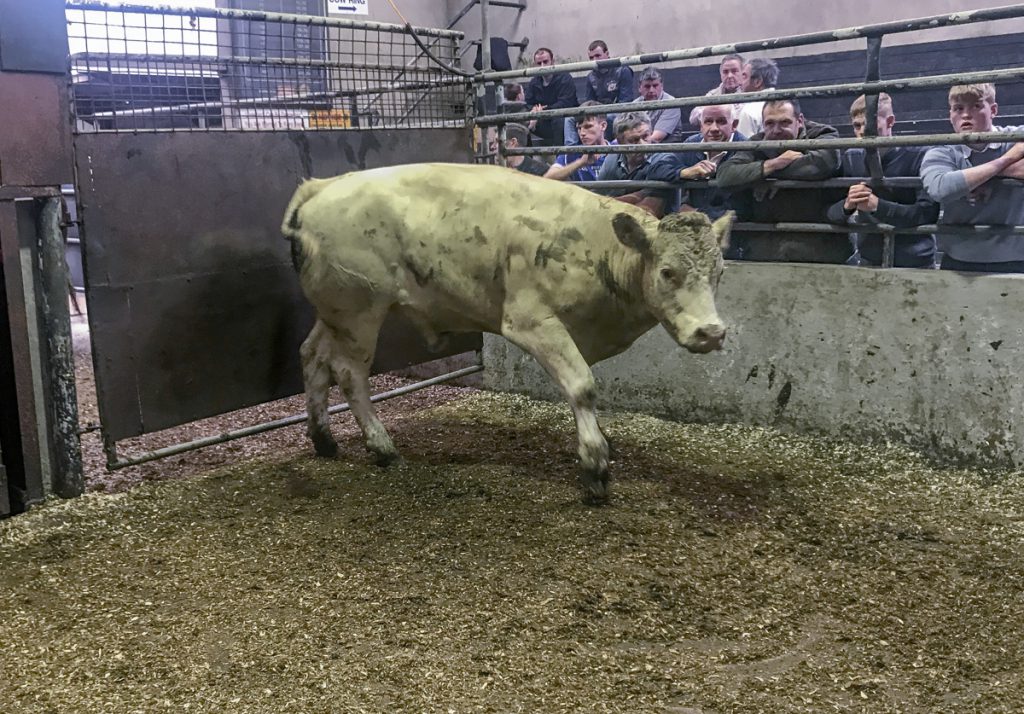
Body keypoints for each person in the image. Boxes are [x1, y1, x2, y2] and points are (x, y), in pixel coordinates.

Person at [717, 98, 845, 262]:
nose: (776, 130)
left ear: (799, 121)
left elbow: (822, 164)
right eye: (769, 123)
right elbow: (725, 175)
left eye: (784, 122)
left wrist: (763, 175)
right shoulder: (757, 142)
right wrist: (773, 164)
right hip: (766, 246)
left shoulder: (824, 134)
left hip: (819, 244)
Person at [920, 83, 1024, 272]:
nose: (966, 115)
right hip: (961, 259)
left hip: (1016, 258)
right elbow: (940, 188)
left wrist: (972, 178)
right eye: (958, 108)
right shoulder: (942, 150)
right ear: (950, 115)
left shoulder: (1017, 135)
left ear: (993, 110)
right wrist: (1006, 162)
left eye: (976, 106)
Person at [826, 93, 938, 268]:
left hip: (915, 262)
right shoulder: (851, 157)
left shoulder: (920, 155)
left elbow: (928, 213)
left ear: (890, 121)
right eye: (857, 126)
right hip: (870, 259)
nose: (863, 131)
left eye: (869, 123)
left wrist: (877, 206)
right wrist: (847, 205)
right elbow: (831, 212)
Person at [655, 104, 747, 222]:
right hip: (694, 225)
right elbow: (657, 168)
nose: (714, 128)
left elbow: (742, 207)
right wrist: (685, 172)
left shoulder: (745, 148)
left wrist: (697, 213)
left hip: (731, 231)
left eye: (721, 121)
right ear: (701, 126)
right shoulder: (692, 144)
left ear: (734, 125)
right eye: (708, 122)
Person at [596, 111, 673, 216]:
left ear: (651, 133)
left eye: (645, 136)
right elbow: (598, 195)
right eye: (634, 140)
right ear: (620, 142)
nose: (642, 144)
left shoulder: (664, 158)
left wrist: (609, 204)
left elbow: (650, 208)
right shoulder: (612, 158)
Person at [523, 47, 580, 146]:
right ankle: (526, 158)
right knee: (522, 122)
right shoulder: (534, 82)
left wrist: (543, 111)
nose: (542, 66)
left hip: (564, 118)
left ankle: (559, 157)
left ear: (552, 61)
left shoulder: (565, 78)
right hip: (543, 120)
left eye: (545, 62)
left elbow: (565, 103)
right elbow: (528, 103)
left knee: (558, 120)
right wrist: (534, 111)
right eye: (539, 63)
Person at [545, 102, 609, 182]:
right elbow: (547, 178)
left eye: (588, 126)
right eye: (579, 128)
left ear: (603, 126)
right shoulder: (571, 153)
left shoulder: (617, 151)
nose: (582, 133)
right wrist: (580, 163)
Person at [631, 67, 685, 143]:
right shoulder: (634, 104)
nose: (651, 90)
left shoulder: (671, 104)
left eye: (655, 86)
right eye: (647, 86)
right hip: (640, 146)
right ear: (640, 88)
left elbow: (656, 138)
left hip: (667, 149)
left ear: (661, 86)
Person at [688, 54, 744, 127]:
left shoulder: (750, 93)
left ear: (743, 73)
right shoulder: (713, 94)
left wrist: (712, 113)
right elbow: (693, 119)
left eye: (734, 71)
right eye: (725, 72)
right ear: (720, 74)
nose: (729, 75)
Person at [735, 57, 779, 138]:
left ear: (757, 82)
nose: (740, 82)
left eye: (744, 76)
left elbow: (744, 146)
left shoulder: (749, 111)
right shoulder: (788, 104)